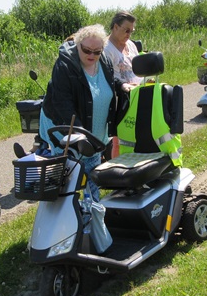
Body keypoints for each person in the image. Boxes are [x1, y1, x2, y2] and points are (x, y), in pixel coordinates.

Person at [39, 24, 127, 199]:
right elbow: (62, 103)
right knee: (68, 182)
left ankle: (93, 214)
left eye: (97, 51)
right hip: (68, 129)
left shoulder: (105, 60)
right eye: (87, 50)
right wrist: (79, 135)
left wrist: (121, 85)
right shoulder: (64, 65)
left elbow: (108, 82)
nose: (92, 55)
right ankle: (68, 218)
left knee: (92, 178)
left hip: (94, 133)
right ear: (77, 45)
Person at [104, 11, 142, 88]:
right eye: (127, 31)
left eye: (131, 31)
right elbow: (106, 77)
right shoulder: (106, 48)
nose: (129, 35)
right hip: (122, 92)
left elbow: (139, 68)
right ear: (116, 27)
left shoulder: (131, 44)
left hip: (139, 88)